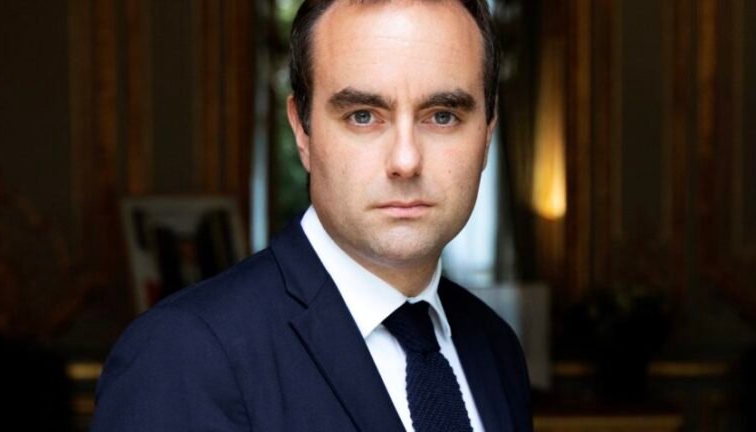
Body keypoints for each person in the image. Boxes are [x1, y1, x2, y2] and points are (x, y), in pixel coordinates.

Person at [91, 0, 531, 430]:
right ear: (302, 131)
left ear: (487, 133)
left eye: (443, 116)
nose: (405, 160)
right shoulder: (183, 353)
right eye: (363, 116)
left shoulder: (495, 347)